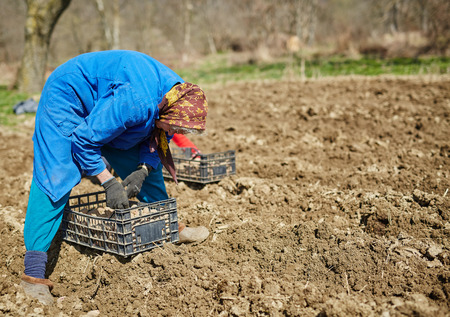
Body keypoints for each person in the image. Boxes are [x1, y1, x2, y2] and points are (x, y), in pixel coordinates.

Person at [21, 50, 210, 305]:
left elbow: (160, 135)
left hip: (111, 104)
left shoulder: (178, 94)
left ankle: (167, 227)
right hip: (68, 98)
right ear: (167, 111)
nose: (177, 132)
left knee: (148, 174)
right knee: (57, 175)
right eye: (177, 128)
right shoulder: (135, 102)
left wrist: (143, 169)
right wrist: (108, 181)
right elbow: (85, 140)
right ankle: (32, 272)